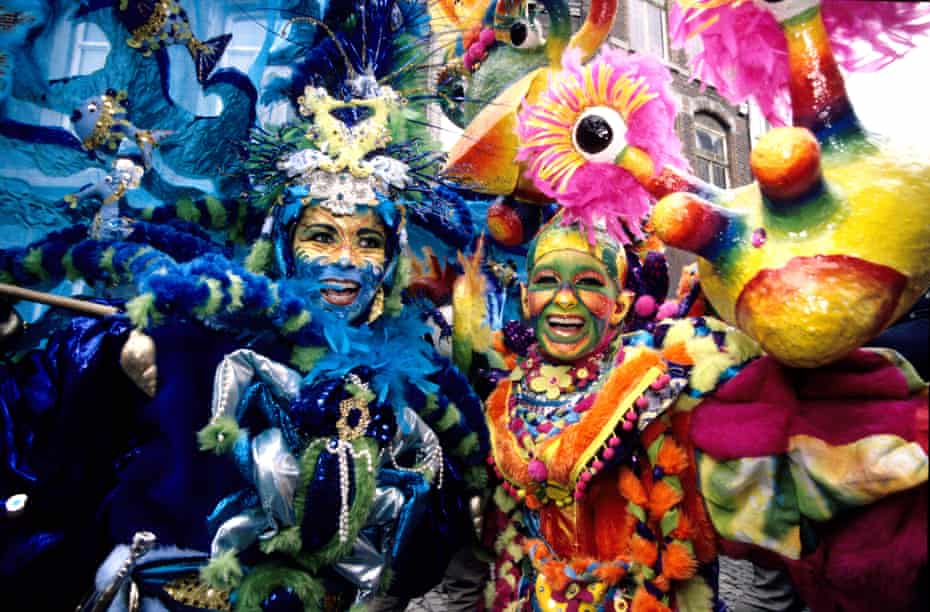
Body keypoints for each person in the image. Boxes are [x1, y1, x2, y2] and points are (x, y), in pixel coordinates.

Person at [480, 216, 928, 611]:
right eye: (546, 281)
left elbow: (770, 438)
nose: (563, 299)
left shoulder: (660, 378)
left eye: (589, 283)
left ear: (619, 305)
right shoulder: (504, 396)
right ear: (524, 297)